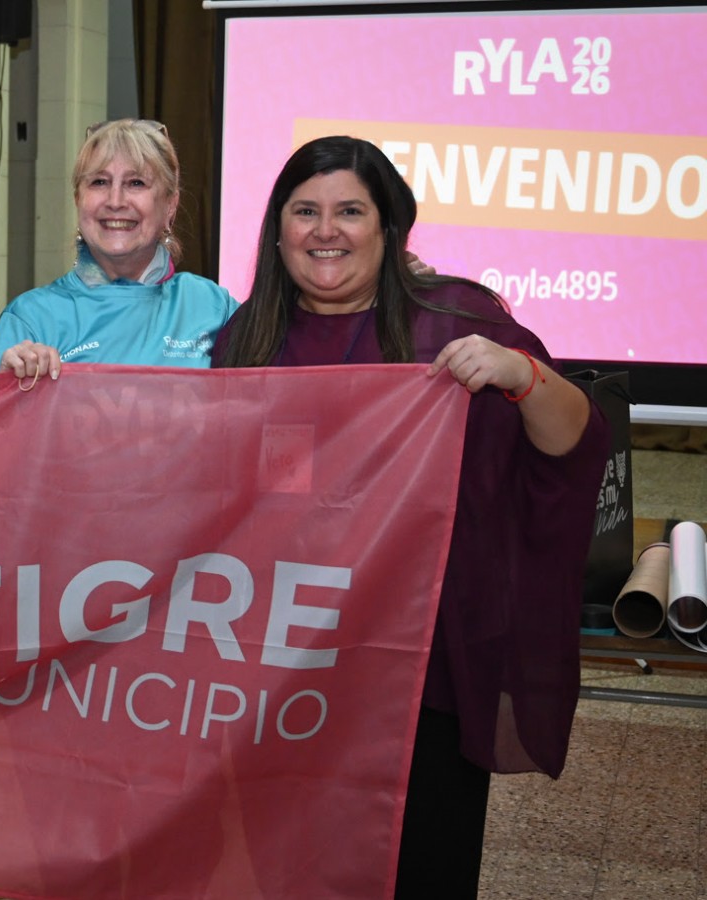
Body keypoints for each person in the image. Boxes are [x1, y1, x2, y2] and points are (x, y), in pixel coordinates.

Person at [212, 135, 606, 899]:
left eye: (350, 211)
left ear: (388, 229)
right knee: (284, 867)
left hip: (424, 671)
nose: (326, 230)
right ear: (278, 230)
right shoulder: (245, 343)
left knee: (422, 865)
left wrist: (521, 375)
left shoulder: (456, 321)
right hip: (284, 668)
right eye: (305, 211)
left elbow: (575, 442)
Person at [0, 119, 237, 379]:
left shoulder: (215, 309)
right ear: (78, 200)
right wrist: (1, 388)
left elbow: (266, 406)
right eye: (99, 182)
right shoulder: (31, 319)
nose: (115, 201)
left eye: (136, 183)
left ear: (170, 205)